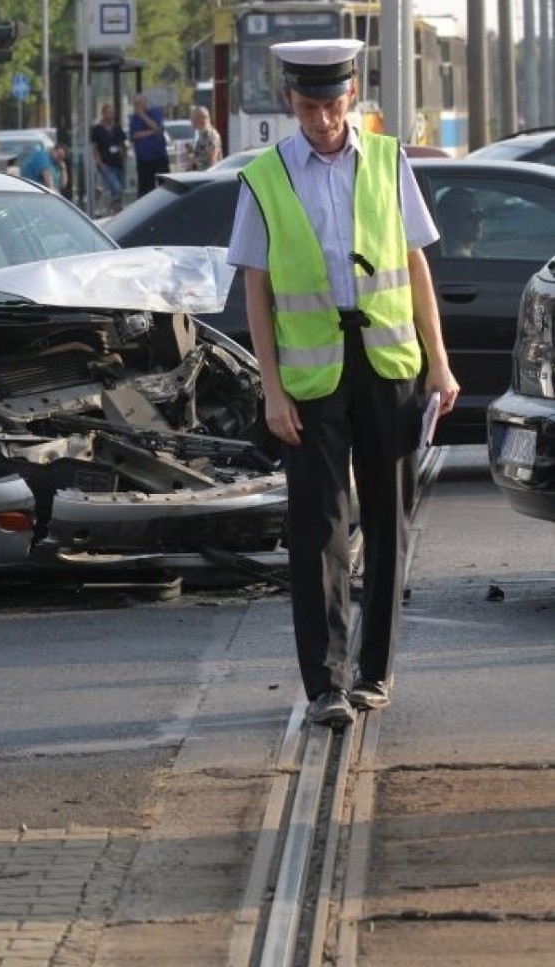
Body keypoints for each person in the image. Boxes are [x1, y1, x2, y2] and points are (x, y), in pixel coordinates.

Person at [227, 39, 459, 730]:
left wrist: (440, 362)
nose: (323, 119)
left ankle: (374, 671)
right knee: (317, 525)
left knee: (387, 520)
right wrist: (270, 390)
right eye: (309, 107)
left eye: (332, 105)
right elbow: (256, 291)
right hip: (309, 374)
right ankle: (326, 683)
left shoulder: (389, 163)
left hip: (388, 364)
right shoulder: (265, 177)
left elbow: (416, 268)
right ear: (290, 104)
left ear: (352, 97)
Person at [129, 92, 170, 197]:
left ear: (145, 102)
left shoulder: (155, 112)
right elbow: (134, 135)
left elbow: (157, 128)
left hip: (158, 156)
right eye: (135, 104)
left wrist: (142, 115)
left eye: (139, 103)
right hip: (144, 159)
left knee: (164, 186)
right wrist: (151, 132)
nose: (137, 106)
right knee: (146, 188)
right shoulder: (134, 118)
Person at [90, 102, 127, 214]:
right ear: (103, 114)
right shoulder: (97, 129)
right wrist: (100, 164)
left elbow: (122, 145)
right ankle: (108, 208)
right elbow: (95, 148)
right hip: (106, 165)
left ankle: (116, 212)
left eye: (112, 113)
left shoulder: (117, 128)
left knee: (118, 191)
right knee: (117, 188)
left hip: (119, 164)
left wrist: (124, 158)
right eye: (108, 113)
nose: (111, 115)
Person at [437, 187, 484, 258]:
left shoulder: (481, 259)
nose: (477, 219)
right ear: (446, 220)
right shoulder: (434, 262)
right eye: (470, 214)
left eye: (480, 214)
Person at [188, 104, 222, 170]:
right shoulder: (201, 134)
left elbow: (213, 159)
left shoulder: (209, 134)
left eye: (192, 118)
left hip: (207, 175)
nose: (191, 121)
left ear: (200, 119)